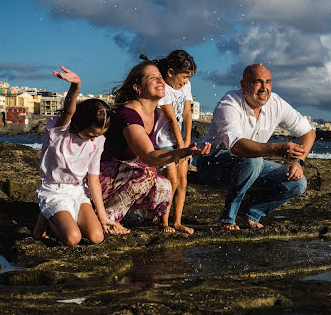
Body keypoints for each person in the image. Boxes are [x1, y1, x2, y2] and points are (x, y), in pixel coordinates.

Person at [196, 64, 316, 231]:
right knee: (253, 161)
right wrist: (277, 149)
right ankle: (227, 219)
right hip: (211, 163)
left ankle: (250, 212)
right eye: (257, 82)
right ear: (243, 85)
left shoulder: (276, 103)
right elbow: (237, 146)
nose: (264, 88)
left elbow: (309, 132)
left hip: (250, 165)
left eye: (268, 82)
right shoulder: (229, 103)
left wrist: (298, 162)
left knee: (298, 183)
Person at [99, 59, 211, 234]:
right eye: (153, 78)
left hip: (124, 175)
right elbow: (148, 156)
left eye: (161, 76)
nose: (160, 81)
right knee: (147, 172)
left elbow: (184, 113)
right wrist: (184, 152)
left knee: (164, 187)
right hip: (101, 176)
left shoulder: (156, 114)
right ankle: (107, 217)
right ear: (138, 88)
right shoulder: (129, 114)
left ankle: (127, 216)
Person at [33, 65, 111, 245]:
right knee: (73, 239)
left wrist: (104, 217)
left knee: (97, 237)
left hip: (77, 191)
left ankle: (47, 220)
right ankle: (46, 218)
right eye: (91, 134)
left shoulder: (98, 142)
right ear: (80, 124)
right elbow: (69, 111)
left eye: (98, 135)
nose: (95, 139)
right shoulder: (61, 132)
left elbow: (93, 180)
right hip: (53, 191)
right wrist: (76, 85)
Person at [153, 50, 196, 234]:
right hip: (164, 139)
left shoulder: (186, 87)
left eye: (189, 77)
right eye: (184, 77)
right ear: (170, 72)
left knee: (182, 181)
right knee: (171, 179)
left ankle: (177, 222)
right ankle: (164, 221)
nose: (185, 81)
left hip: (180, 141)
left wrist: (187, 141)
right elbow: (171, 117)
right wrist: (180, 145)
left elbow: (187, 113)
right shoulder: (162, 87)